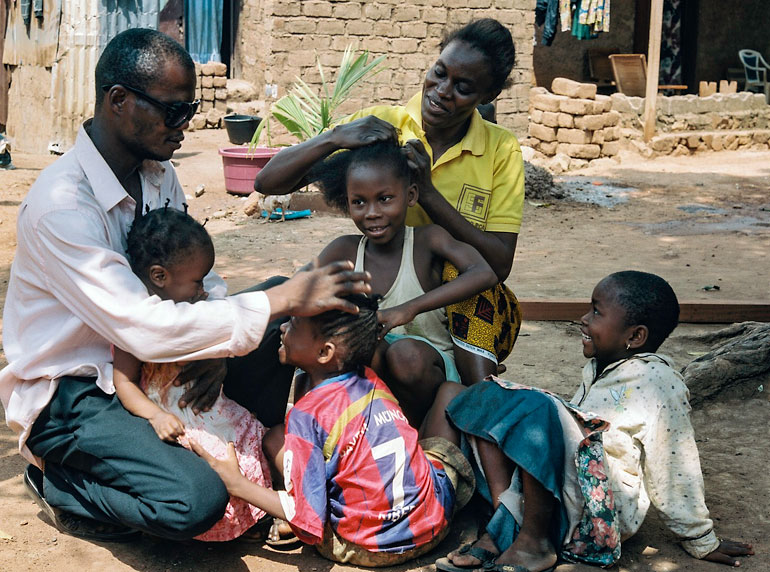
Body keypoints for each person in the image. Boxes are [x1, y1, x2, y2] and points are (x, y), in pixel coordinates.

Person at [0, 28, 370, 543]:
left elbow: (203, 280)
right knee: (197, 500)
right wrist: (273, 302)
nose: (186, 124)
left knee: (282, 313)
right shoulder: (62, 206)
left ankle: (255, 458)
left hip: (157, 363)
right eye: (173, 111)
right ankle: (62, 482)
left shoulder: (158, 176)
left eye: (190, 108)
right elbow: (142, 327)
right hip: (77, 391)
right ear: (119, 101)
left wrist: (219, 346)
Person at [254, 18, 525, 387]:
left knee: (465, 298)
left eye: (462, 87)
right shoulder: (382, 126)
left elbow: (497, 265)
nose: (442, 91)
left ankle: (479, 398)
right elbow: (267, 182)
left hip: (456, 296)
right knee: (299, 309)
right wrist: (335, 137)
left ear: (487, 97)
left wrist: (428, 193)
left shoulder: (500, 149)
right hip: (387, 285)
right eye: (439, 73)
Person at [440, 271, 755, 571]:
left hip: (597, 519)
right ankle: (506, 524)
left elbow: (673, 464)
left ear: (635, 335)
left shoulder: (658, 382)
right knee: (478, 398)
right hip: (566, 498)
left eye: (596, 312)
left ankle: (532, 541)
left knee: (537, 408)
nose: (584, 319)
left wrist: (700, 538)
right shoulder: (599, 368)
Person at [192, 293, 475, 566]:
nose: (282, 327)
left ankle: (285, 512)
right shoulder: (370, 379)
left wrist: (235, 483)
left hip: (363, 547)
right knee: (447, 401)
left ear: (325, 352)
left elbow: (310, 518)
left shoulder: (307, 416)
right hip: (432, 529)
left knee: (276, 440)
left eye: (293, 324)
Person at [113, 206, 274, 542]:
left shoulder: (196, 307)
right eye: (198, 280)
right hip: (176, 419)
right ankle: (228, 524)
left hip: (211, 409)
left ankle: (257, 513)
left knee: (246, 439)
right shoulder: (135, 324)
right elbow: (123, 382)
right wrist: (155, 417)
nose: (204, 288)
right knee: (208, 458)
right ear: (159, 276)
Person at [313, 139, 498, 426]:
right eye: (359, 202)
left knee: (405, 354)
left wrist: (409, 308)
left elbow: (483, 272)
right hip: (377, 392)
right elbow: (298, 290)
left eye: (385, 199)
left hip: (429, 374)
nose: (372, 212)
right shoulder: (344, 250)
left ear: (411, 195)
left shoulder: (427, 240)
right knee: (355, 348)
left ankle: (421, 432)